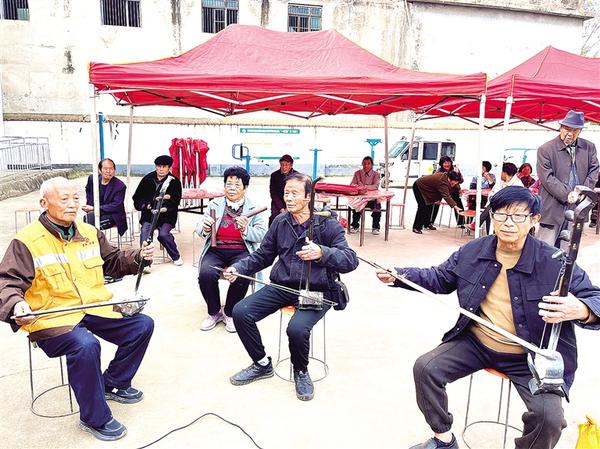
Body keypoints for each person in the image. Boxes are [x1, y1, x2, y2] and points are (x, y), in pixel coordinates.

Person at [375, 186, 600, 449]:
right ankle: (443, 439)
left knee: (549, 418)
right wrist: (399, 275)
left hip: (529, 355)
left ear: (534, 220)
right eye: (500, 214)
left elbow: (595, 298)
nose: (508, 223)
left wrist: (582, 309)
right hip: (477, 343)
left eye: (518, 216)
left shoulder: (554, 261)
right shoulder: (473, 251)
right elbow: (439, 278)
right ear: (491, 217)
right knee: (425, 368)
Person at [0, 177, 155, 442]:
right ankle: (94, 417)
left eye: (76, 198)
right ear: (44, 203)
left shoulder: (89, 232)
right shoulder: (26, 241)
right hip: (52, 317)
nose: (72, 204)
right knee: (85, 345)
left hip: (92, 305)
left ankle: (114, 383)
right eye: (64, 199)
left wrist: (138, 256)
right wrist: (17, 303)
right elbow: (7, 282)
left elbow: (113, 260)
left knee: (142, 325)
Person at [223, 173, 358, 401]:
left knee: (296, 329)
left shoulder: (328, 224)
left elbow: (350, 260)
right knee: (240, 312)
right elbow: (263, 255)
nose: (289, 198)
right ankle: (261, 363)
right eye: (286, 193)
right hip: (282, 285)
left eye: (295, 193)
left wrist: (322, 252)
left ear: (308, 197)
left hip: (316, 290)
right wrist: (239, 268)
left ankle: (301, 371)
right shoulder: (280, 222)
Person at [195, 167, 267, 333]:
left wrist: (246, 230)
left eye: (237, 184)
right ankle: (214, 312)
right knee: (206, 273)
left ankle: (229, 312)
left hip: (241, 249)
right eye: (229, 184)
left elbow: (262, 234)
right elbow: (199, 229)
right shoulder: (214, 204)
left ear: (245, 188)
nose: (232, 188)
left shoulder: (254, 207)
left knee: (242, 273)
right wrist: (205, 228)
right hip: (216, 249)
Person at [536, 111, 599, 248]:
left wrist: (583, 192)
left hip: (578, 206)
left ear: (580, 131)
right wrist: (568, 194)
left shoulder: (589, 147)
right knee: (545, 248)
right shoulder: (545, 149)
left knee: (568, 250)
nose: (570, 133)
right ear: (561, 128)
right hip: (553, 206)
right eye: (567, 129)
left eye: (575, 130)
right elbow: (546, 177)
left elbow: (594, 171)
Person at [132, 155, 183, 267]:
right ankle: (145, 261)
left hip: (167, 216)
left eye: (164, 166)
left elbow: (176, 201)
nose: (161, 169)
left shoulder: (174, 182)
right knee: (145, 233)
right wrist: (144, 205)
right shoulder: (147, 179)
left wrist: (165, 208)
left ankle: (176, 256)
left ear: (169, 168)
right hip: (149, 215)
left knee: (163, 235)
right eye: (158, 166)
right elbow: (137, 197)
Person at [471, 162, 523, 233]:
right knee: (490, 212)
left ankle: (477, 224)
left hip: (510, 208)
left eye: (500, 172)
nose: (498, 174)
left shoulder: (518, 184)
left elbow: (514, 199)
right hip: (497, 205)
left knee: (491, 207)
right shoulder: (500, 182)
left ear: (505, 172)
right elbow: (492, 193)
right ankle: (489, 234)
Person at [82, 158, 128, 236]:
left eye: (111, 169)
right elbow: (88, 191)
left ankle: (97, 242)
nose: (108, 171)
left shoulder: (120, 186)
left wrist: (94, 208)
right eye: (105, 169)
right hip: (96, 211)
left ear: (114, 170)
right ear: (100, 170)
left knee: (90, 223)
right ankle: (93, 241)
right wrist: (90, 205)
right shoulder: (93, 179)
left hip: (113, 214)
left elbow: (116, 206)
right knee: (87, 219)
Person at [349, 156, 382, 235]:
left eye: (368, 164)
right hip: (360, 198)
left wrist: (363, 186)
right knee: (356, 206)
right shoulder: (357, 173)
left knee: (377, 206)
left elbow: (375, 186)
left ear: (372, 165)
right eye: (364, 164)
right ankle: (355, 226)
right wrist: (359, 187)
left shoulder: (376, 174)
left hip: (372, 199)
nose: (366, 165)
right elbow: (352, 184)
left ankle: (375, 227)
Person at [431, 156, 465, 227]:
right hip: (440, 190)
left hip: (453, 190)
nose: (447, 164)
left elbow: (461, 181)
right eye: (445, 163)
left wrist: (458, 174)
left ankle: (461, 223)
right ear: (441, 164)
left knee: (458, 204)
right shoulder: (438, 171)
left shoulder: (455, 169)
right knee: (435, 204)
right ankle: (430, 222)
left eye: (448, 162)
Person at [269, 154, 298, 226]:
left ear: (291, 165)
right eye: (282, 164)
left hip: (293, 201)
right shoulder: (274, 175)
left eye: (286, 165)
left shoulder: (297, 176)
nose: (284, 167)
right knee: (274, 218)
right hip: (278, 203)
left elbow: (298, 193)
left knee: (294, 218)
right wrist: (281, 209)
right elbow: (273, 194)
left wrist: (288, 208)